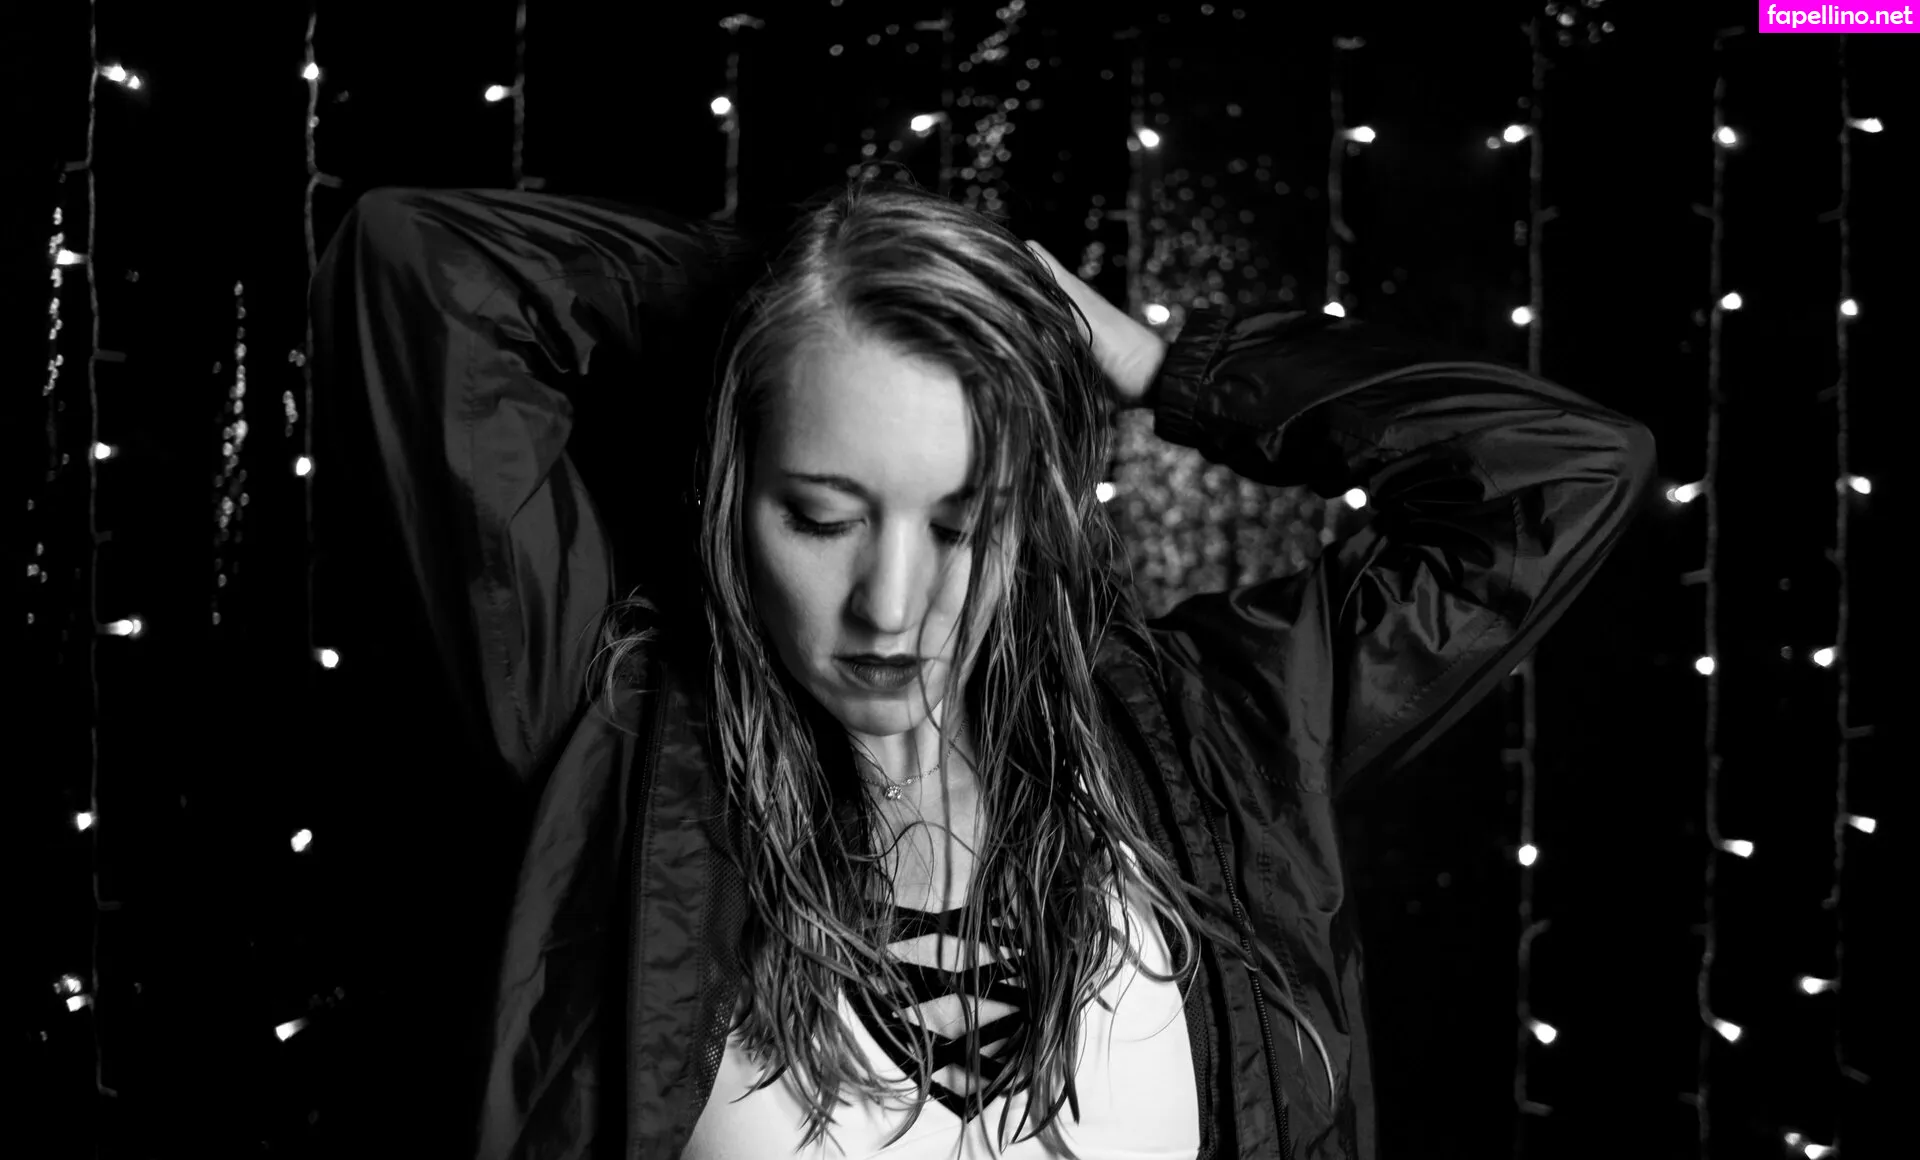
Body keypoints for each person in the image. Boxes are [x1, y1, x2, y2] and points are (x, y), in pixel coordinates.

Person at [311, 175, 1655, 1160]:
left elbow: (1562, 473)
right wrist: (805, 295)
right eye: (822, 517)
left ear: (1038, 519)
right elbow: (420, 262)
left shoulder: (1218, 742)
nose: (893, 605)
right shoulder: (612, 730)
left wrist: (1157, 363)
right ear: (732, 496)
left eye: (963, 524)